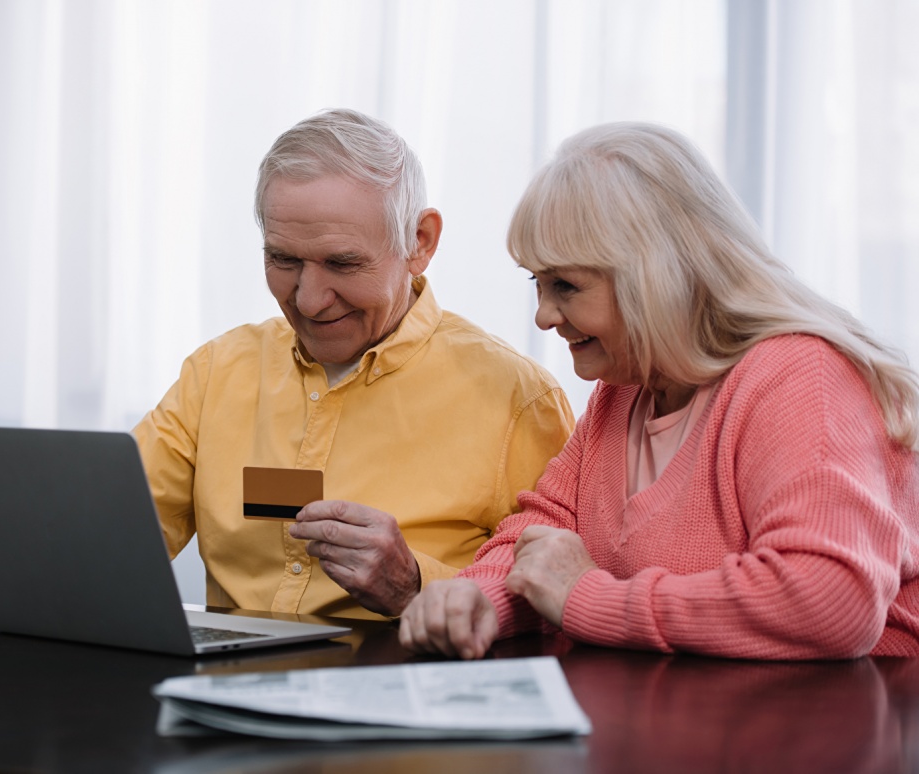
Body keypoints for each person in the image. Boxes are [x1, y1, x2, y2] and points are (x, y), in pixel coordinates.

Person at [400, 121, 919, 658]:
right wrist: (477, 597)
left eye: (566, 287)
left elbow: (828, 602)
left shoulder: (803, 376)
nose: (544, 316)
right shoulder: (625, 390)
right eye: (538, 283)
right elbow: (542, 532)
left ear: (655, 276)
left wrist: (589, 597)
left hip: (830, 723)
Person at [133, 109, 574, 620]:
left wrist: (416, 586)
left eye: (342, 263)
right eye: (284, 260)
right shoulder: (217, 372)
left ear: (420, 242)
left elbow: (557, 608)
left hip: (401, 688)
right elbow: (111, 539)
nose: (310, 300)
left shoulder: (517, 400)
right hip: (230, 686)